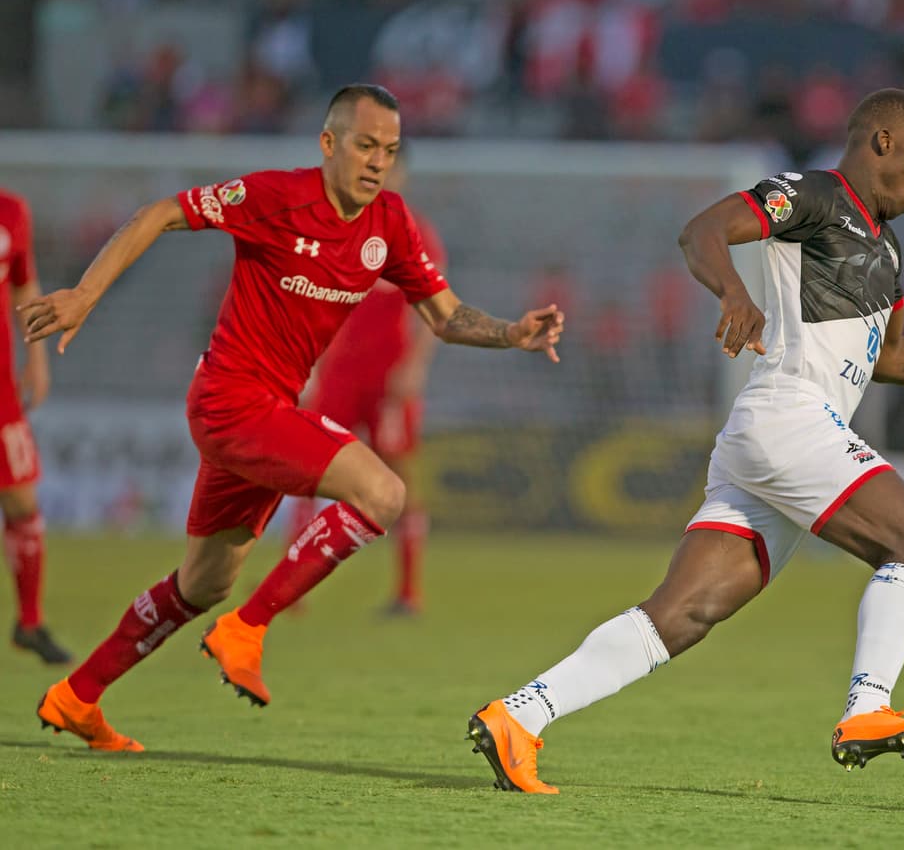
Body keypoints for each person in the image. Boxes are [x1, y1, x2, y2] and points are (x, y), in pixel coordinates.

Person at [465, 88, 904, 794]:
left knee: (684, 613)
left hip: (778, 439)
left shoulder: (890, 249)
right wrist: (732, 292)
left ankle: (519, 716)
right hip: (790, 416)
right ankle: (867, 710)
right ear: (882, 142)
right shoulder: (815, 195)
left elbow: (888, 356)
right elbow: (702, 231)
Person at [23, 84, 564, 752]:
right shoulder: (277, 197)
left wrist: (513, 332)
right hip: (231, 398)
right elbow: (162, 211)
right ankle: (248, 628)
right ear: (329, 143)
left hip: (269, 410)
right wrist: (83, 294)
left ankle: (78, 696)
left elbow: (446, 315)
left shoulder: (390, 223)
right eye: (365, 145)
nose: (377, 163)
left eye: (389, 151)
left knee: (203, 581)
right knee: (383, 492)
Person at [283, 148, 442, 616]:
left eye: (393, 167)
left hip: (388, 377)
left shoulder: (417, 234)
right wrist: (308, 364)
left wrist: (414, 368)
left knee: (400, 477)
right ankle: (292, 585)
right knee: (308, 471)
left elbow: (435, 310)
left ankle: (408, 591)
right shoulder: (338, 227)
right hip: (340, 373)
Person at [0, 188, 72, 665]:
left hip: (1, 389)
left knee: (23, 501)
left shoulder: (12, 211)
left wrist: (37, 355)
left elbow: (24, 283)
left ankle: (30, 622)